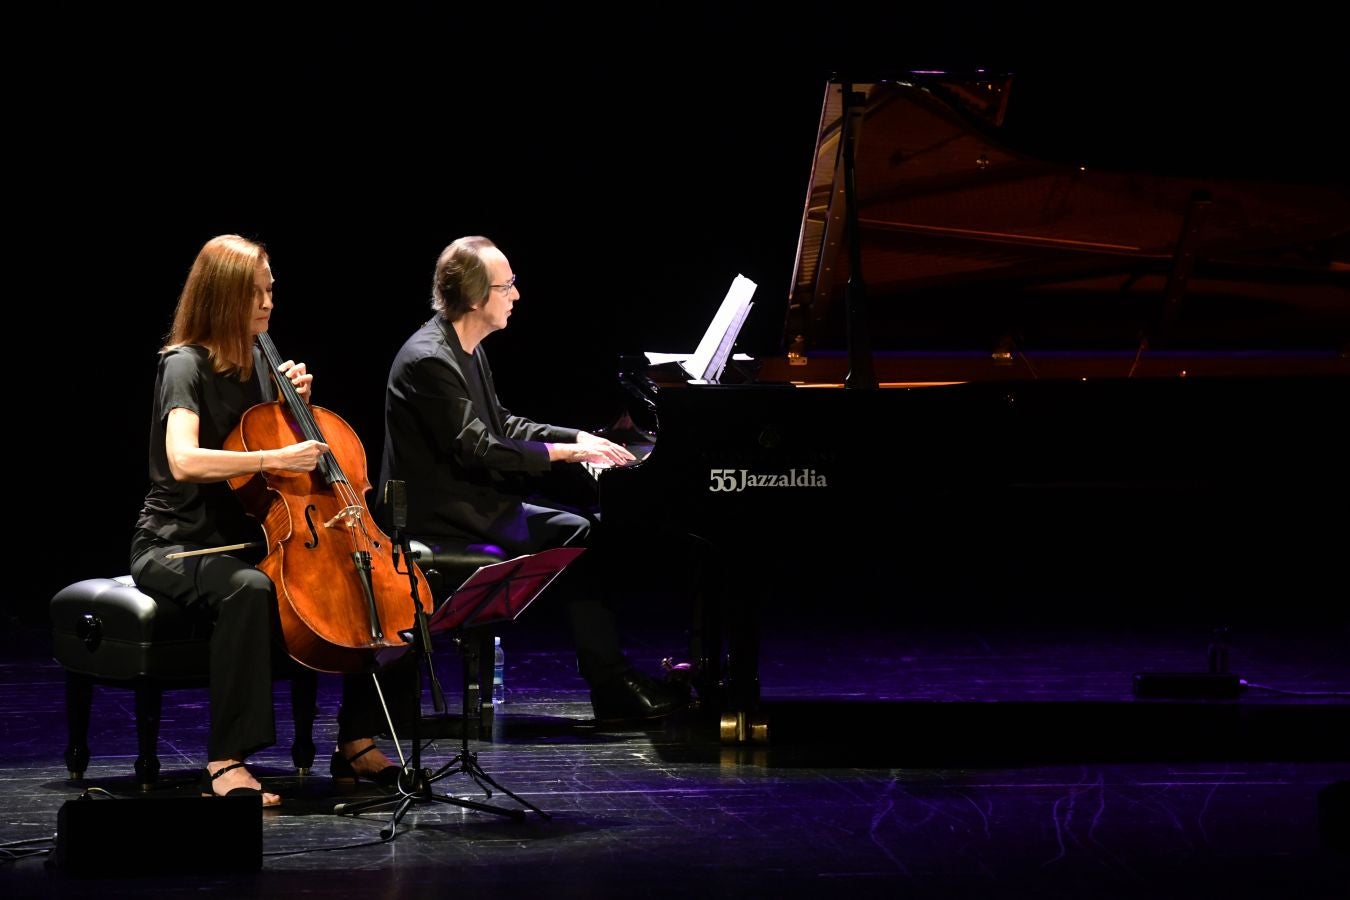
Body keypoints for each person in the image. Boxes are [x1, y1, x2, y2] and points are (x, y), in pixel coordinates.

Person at [130, 234, 409, 807]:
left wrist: (291, 407)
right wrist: (272, 457)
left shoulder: (260, 356)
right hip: (178, 544)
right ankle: (226, 760)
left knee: (372, 573)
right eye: (254, 293)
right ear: (222, 297)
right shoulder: (185, 366)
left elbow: (267, 461)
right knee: (249, 591)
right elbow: (184, 458)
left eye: (270, 290)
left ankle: (357, 739)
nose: (267, 303)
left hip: (249, 535)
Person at [376, 235, 689, 724]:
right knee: (581, 532)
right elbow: (481, 447)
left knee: (582, 529)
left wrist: (578, 435)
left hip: (469, 504)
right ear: (477, 298)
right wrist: (568, 452)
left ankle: (611, 682)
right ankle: (611, 685)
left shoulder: (464, 346)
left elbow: (500, 422)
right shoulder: (430, 358)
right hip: (441, 517)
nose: (516, 295)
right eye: (508, 286)